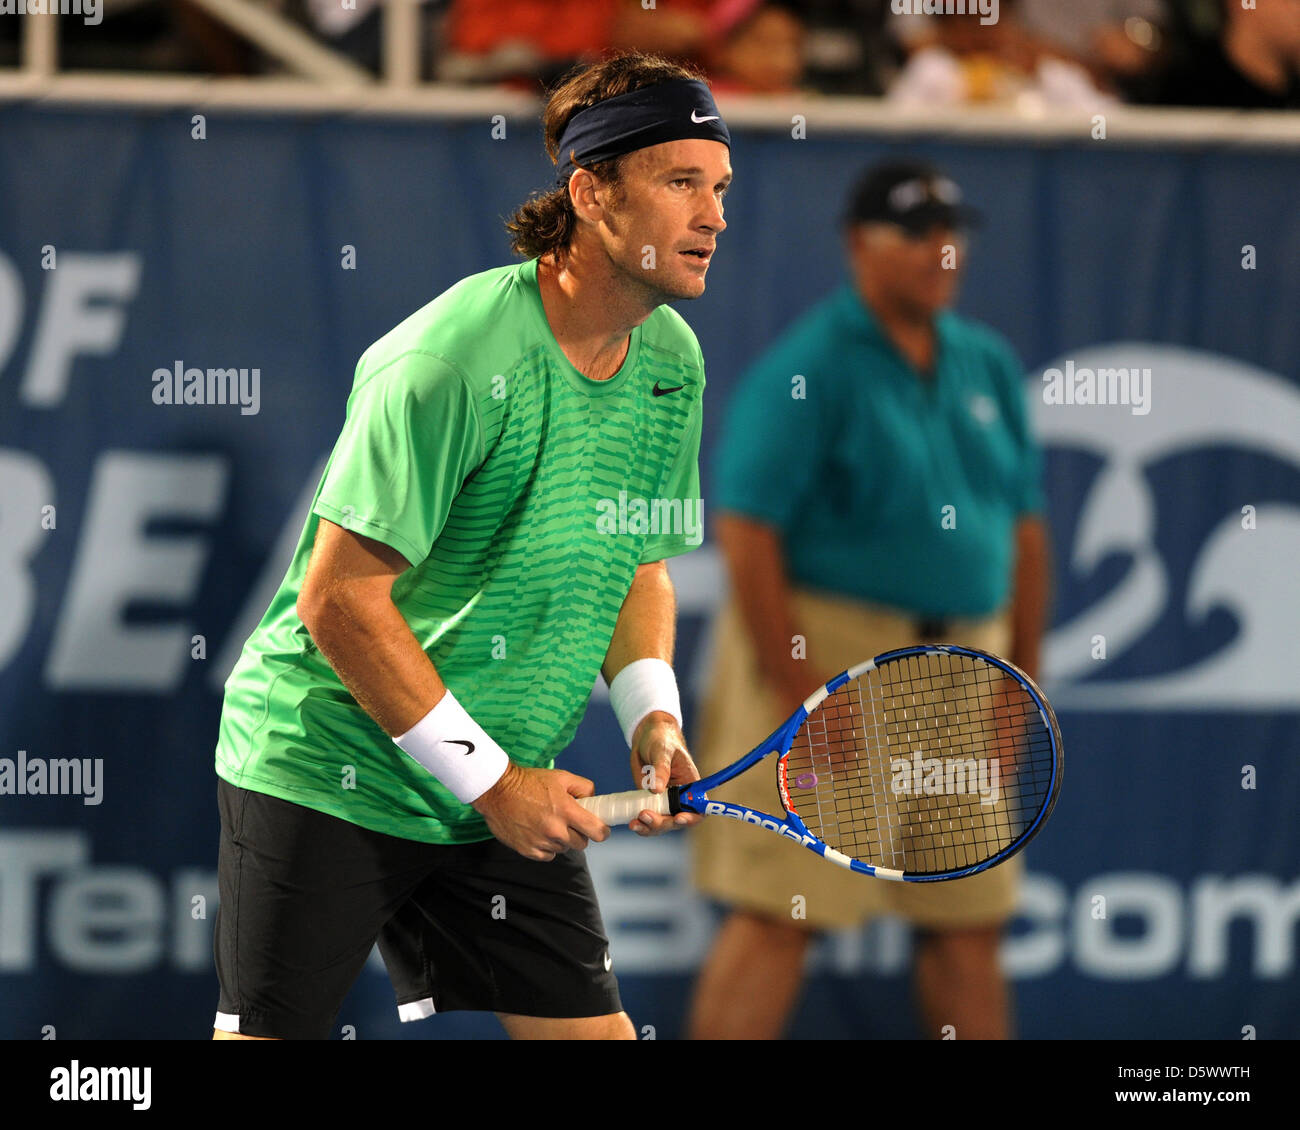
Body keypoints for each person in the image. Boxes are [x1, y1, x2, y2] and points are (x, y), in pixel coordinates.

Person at [211, 51, 733, 1041]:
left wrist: (651, 716)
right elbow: (338, 600)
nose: (712, 216)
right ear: (589, 192)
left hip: (498, 777)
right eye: (679, 183)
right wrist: (489, 781)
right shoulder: (449, 360)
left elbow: (637, 558)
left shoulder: (671, 357)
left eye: (718, 187)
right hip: (335, 761)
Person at [687, 159, 1050, 1041]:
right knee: (780, 915)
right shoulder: (807, 370)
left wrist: (1019, 682)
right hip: (831, 659)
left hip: (967, 664)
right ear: (858, 243)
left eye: (952, 231)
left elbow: (1025, 531)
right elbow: (747, 531)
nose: (943, 251)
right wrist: (798, 686)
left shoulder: (987, 363)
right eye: (916, 232)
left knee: (969, 926)